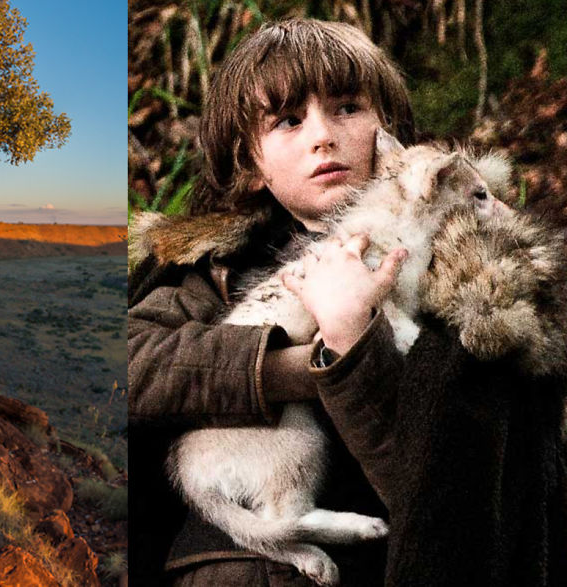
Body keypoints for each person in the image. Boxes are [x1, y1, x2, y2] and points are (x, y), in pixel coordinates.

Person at [128, 17, 567, 587]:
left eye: (347, 109)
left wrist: (355, 344)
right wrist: (290, 369)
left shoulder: (469, 281)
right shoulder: (209, 269)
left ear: (391, 139)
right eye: (288, 120)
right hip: (228, 569)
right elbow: (131, 363)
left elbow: (443, 496)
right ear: (251, 166)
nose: (322, 136)